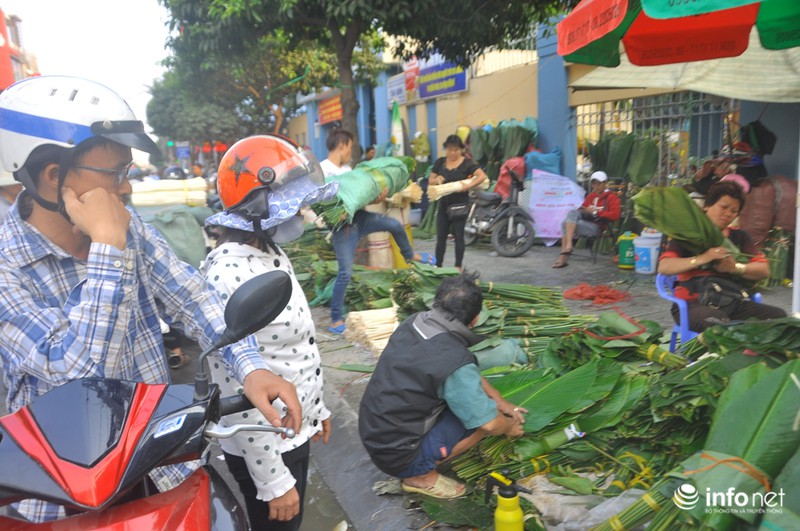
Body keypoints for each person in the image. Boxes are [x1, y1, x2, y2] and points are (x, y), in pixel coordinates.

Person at [0, 76, 301, 522]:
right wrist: (107, 244)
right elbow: (77, 374)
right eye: (116, 173)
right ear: (52, 176)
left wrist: (250, 365)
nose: (127, 188)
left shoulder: (130, 228)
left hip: (157, 464)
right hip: (62, 498)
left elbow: (191, 296)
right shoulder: (8, 268)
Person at [203, 134, 337, 530]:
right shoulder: (228, 273)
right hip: (264, 442)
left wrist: (317, 409)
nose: (300, 214)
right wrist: (273, 480)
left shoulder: (268, 251)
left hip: (291, 428)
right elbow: (235, 383)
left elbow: (296, 353)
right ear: (257, 207)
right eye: (291, 206)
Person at [359, 272, 526, 499]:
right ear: (475, 318)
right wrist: (508, 426)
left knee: (481, 403)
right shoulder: (453, 359)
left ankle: (418, 460)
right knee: (482, 419)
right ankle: (420, 476)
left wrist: (498, 397)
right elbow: (488, 424)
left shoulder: (415, 322)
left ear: (437, 302)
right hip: (399, 456)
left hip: (374, 431)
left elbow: (459, 368)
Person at [322, 129, 433, 335]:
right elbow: (317, 202)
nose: (351, 151)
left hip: (361, 218)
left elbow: (361, 196)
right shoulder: (323, 171)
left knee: (395, 226)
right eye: (350, 146)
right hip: (343, 227)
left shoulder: (348, 169)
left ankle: (410, 255)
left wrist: (377, 197)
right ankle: (336, 318)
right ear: (342, 145)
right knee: (345, 273)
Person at [657, 181, 786, 332]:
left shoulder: (740, 237)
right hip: (692, 304)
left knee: (779, 318)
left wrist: (735, 268)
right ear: (707, 206)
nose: (728, 214)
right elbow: (664, 266)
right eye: (724, 207)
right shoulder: (689, 235)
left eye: (734, 211)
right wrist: (702, 258)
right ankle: (726, 350)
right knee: (719, 325)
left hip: (733, 303)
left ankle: (753, 353)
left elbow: (764, 270)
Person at [428, 134, 488, 269]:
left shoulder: (467, 163)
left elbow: (482, 176)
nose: (453, 153)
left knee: (459, 236)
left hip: (459, 205)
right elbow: (430, 180)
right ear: (446, 149)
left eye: (456, 150)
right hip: (443, 204)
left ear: (461, 149)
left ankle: (458, 267)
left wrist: (468, 186)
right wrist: (436, 180)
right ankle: (438, 267)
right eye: (449, 150)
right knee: (441, 237)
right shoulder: (440, 162)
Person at [552, 170, 621, 268]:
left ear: (605, 183)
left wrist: (595, 212)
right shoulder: (591, 196)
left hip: (597, 225)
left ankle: (564, 257)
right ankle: (569, 245)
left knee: (565, 223)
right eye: (594, 183)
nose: (596, 186)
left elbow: (615, 215)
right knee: (572, 213)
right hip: (586, 220)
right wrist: (586, 210)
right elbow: (582, 208)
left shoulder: (611, 198)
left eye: (599, 183)